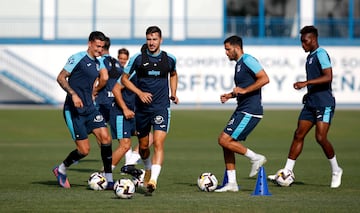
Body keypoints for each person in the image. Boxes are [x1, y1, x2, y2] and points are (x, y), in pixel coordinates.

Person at [268, 25, 343, 188]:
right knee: (298, 134)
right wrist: (308, 92)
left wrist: (306, 83)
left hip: (324, 103)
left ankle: (336, 170)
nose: (302, 44)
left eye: (305, 41)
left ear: (314, 39)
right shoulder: (310, 56)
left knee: (320, 137)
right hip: (311, 103)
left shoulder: (321, 54)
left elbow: (328, 77)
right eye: (301, 41)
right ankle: (287, 171)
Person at [121, 26, 179, 195]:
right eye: (149, 39)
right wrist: (139, 93)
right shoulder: (138, 59)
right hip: (142, 110)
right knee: (144, 146)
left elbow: (173, 74)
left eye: (154, 39)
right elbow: (124, 80)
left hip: (161, 107)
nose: (151, 42)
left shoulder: (169, 59)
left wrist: (173, 93)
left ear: (161, 40)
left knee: (159, 143)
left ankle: (153, 180)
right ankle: (147, 169)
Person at [52, 31, 114, 189]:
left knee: (106, 138)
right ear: (90, 43)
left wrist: (95, 91)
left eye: (102, 47)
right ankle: (61, 169)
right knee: (84, 150)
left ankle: (109, 180)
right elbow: (61, 77)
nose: (100, 50)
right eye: (97, 46)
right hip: (73, 111)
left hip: (90, 109)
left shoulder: (98, 63)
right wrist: (73, 94)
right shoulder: (77, 57)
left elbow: (103, 78)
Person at [214, 35, 269, 192]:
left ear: (236, 48)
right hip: (242, 109)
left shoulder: (248, 60)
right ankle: (231, 183)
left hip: (250, 111)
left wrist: (244, 90)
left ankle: (255, 157)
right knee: (226, 144)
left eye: (228, 49)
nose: (226, 53)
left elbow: (264, 79)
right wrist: (230, 95)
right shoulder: (238, 65)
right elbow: (243, 87)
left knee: (223, 140)